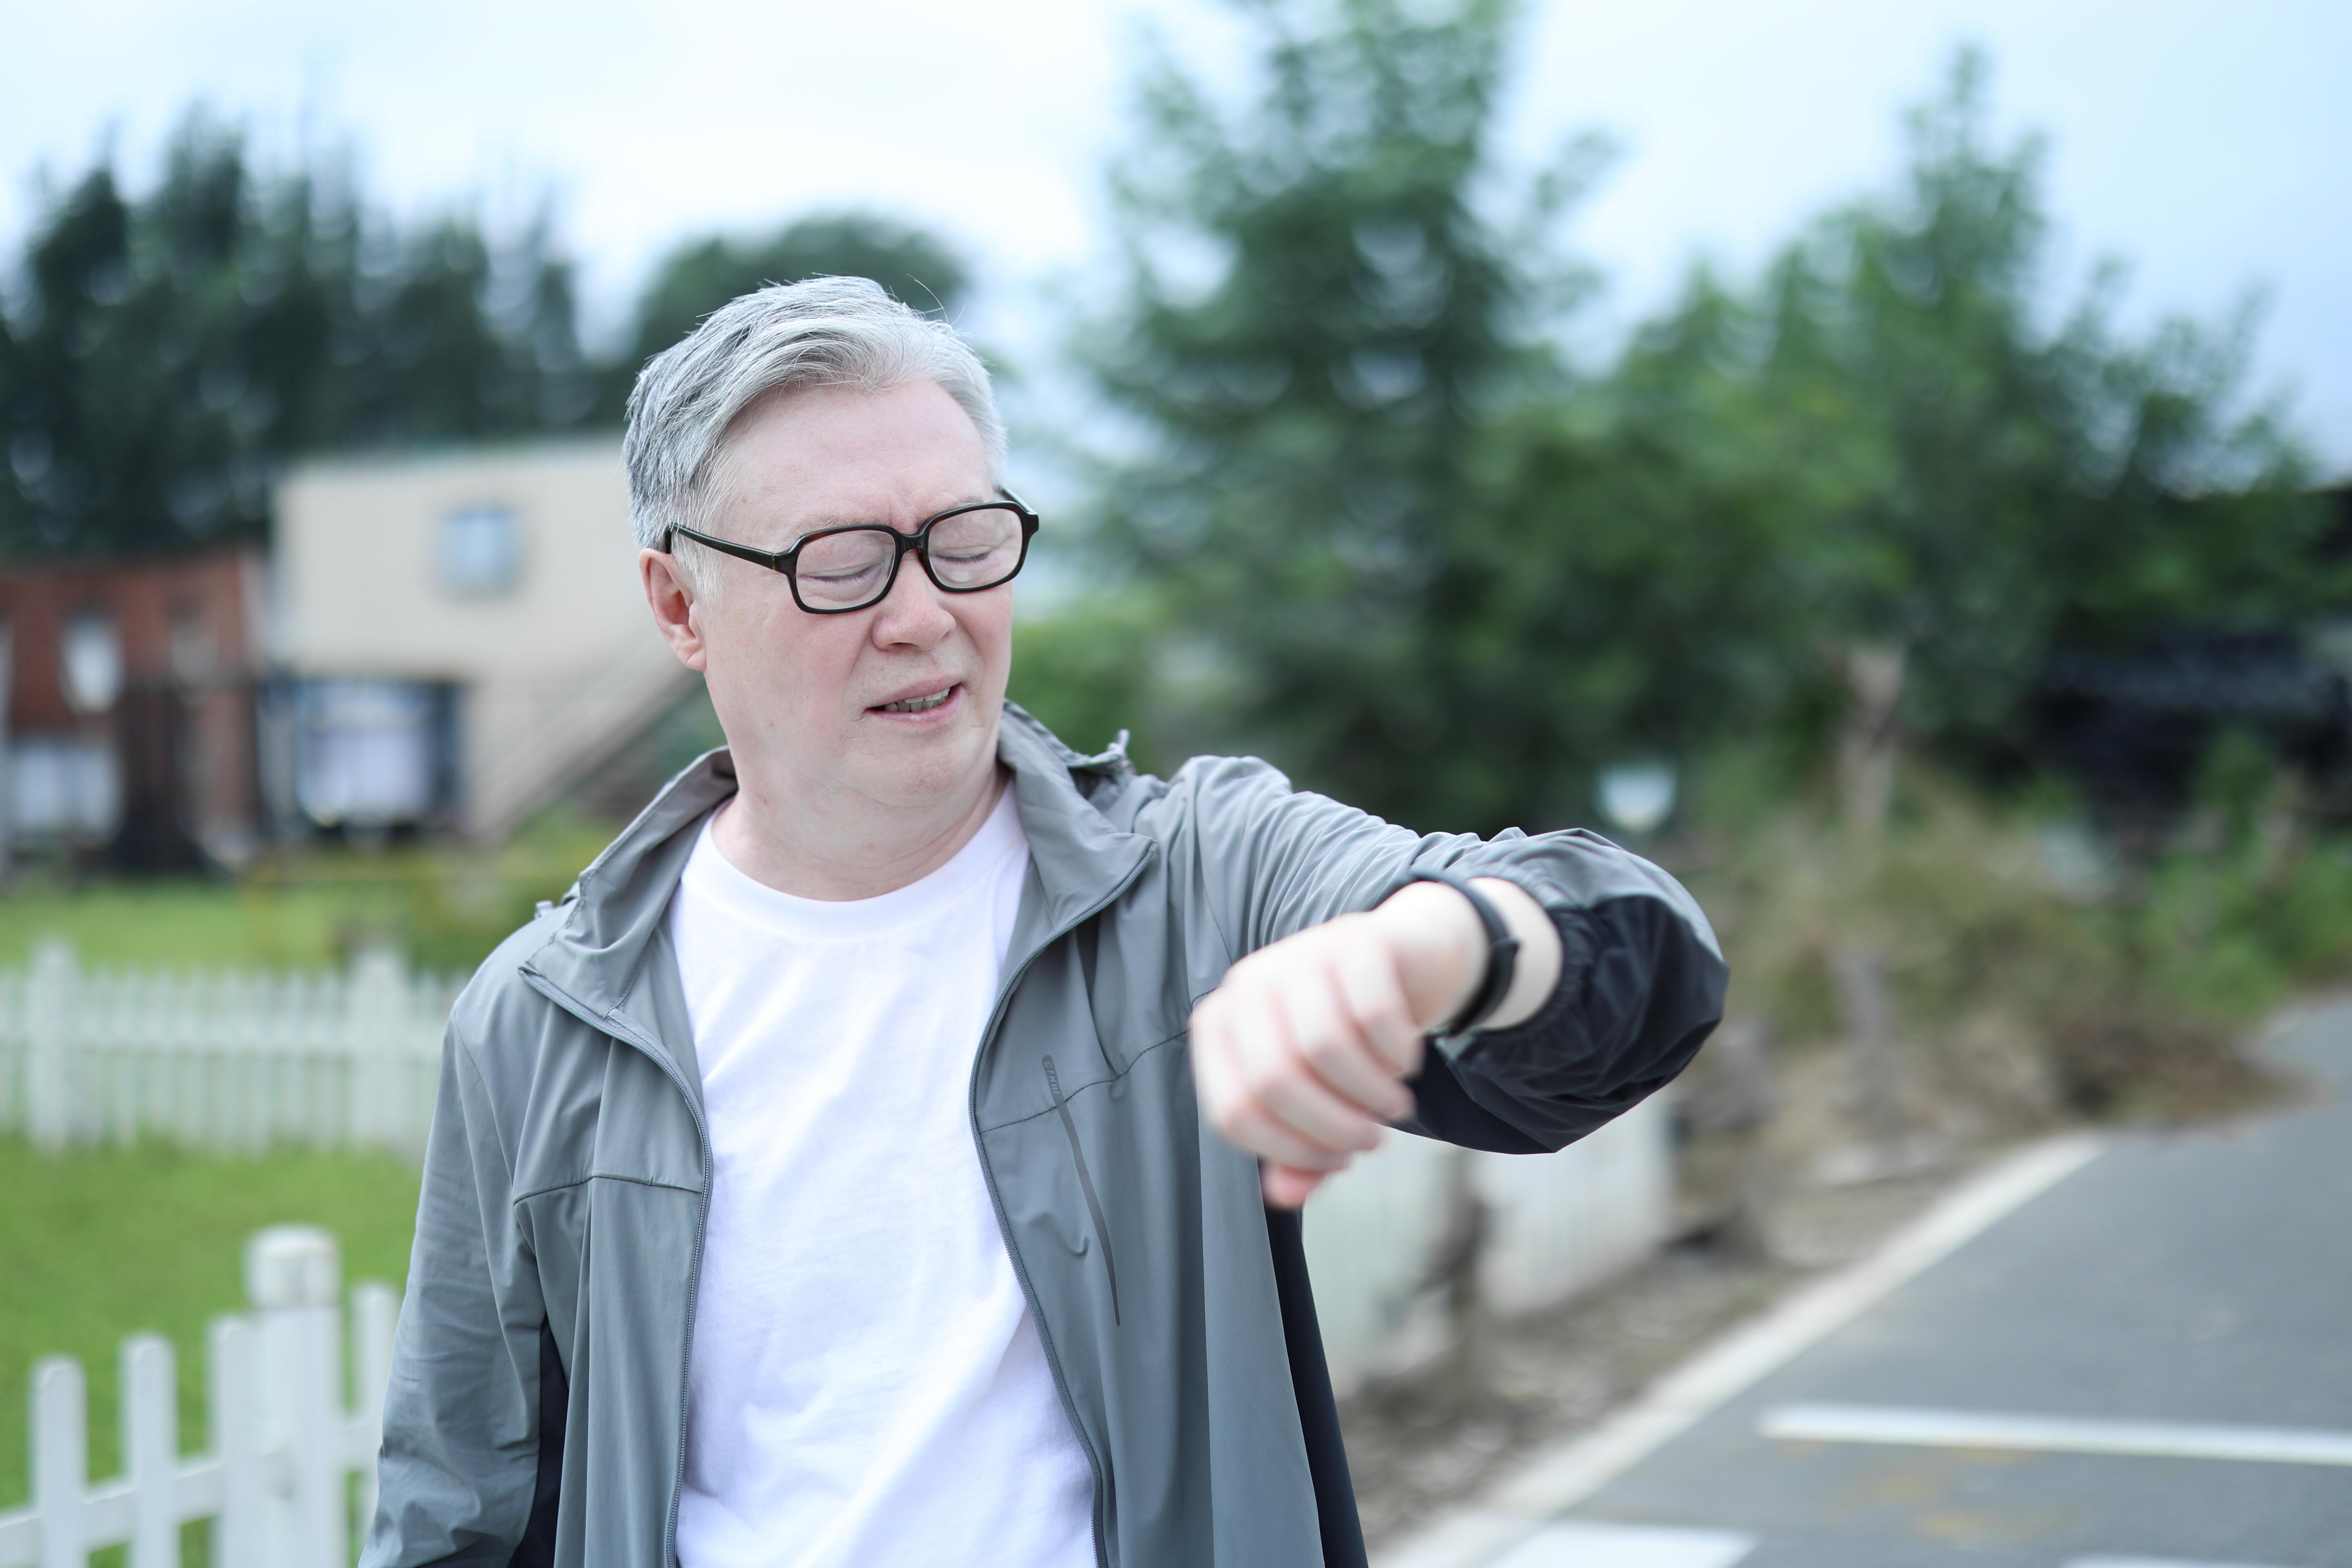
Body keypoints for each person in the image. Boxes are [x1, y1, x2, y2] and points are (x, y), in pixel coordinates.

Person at [363, 277, 1727, 1568]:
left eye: (964, 541)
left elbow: (1639, 955)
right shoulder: (543, 1021)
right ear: (680, 604)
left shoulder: (1196, 889)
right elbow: (457, 1508)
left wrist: (1432, 949)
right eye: (844, 563)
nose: (924, 616)